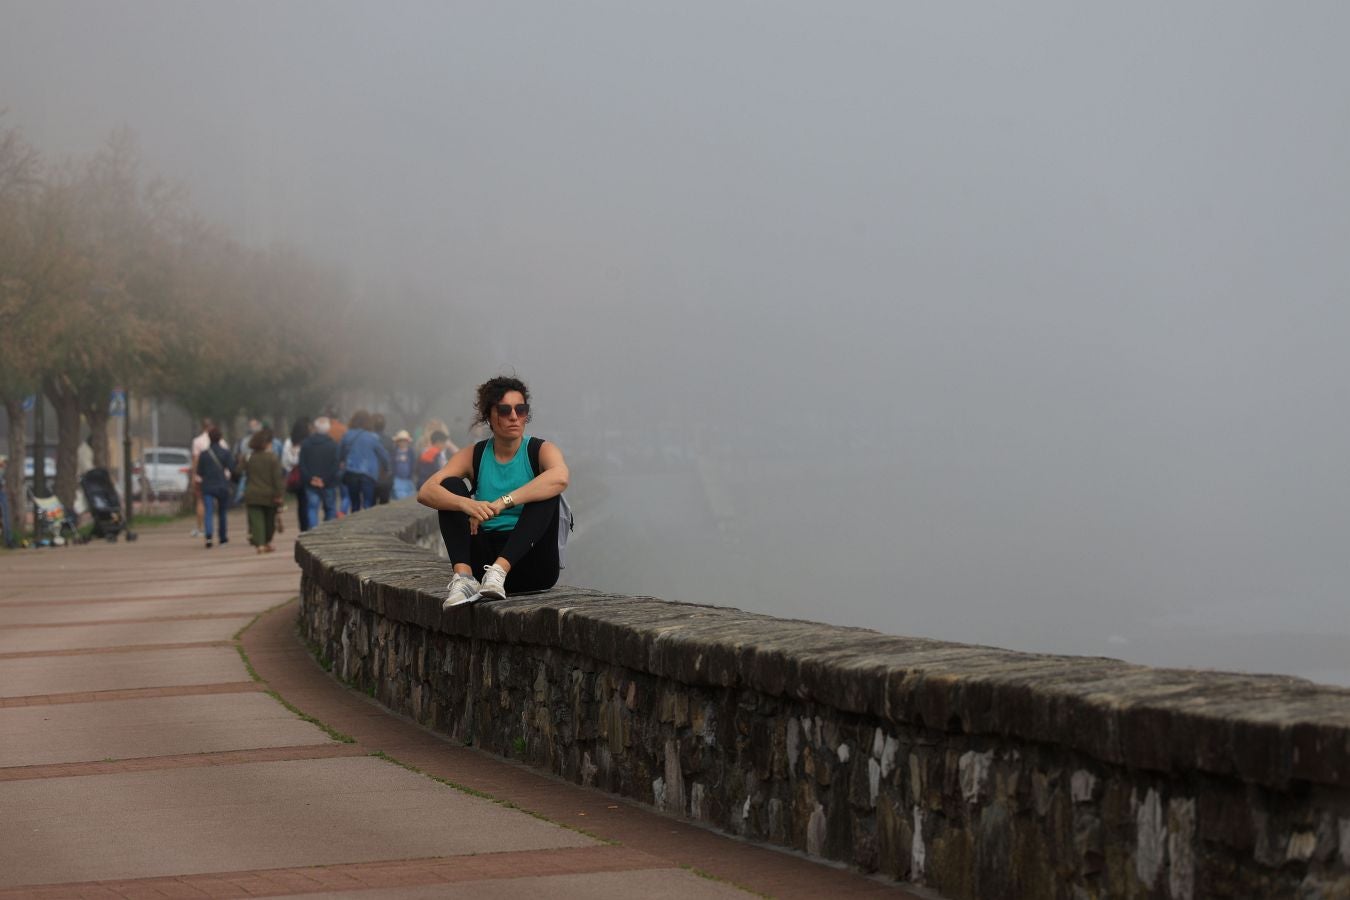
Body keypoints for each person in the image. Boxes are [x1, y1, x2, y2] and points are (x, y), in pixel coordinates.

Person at [417, 376, 569, 607]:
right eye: (504, 410)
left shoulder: (540, 450)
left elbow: (560, 477)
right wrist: (467, 504)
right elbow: (427, 491)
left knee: (547, 490)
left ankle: (500, 570)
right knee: (450, 487)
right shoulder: (474, 455)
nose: (514, 417)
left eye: (521, 410)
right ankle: (464, 579)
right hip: (484, 566)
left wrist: (503, 502)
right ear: (488, 416)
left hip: (533, 567)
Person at [337, 410, 389, 514]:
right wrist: (387, 468)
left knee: (354, 504)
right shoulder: (372, 437)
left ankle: (354, 521)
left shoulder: (347, 435)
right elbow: (383, 455)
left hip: (351, 472)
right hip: (368, 474)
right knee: (367, 504)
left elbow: (339, 454)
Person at [242, 427, 283, 553]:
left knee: (256, 521)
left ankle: (260, 544)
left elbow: (237, 471)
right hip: (269, 495)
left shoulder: (248, 457)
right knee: (269, 521)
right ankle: (265, 542)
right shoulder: (272, 458)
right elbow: (277, 478)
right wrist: (279, 494)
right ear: (266, 443)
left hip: (252, 493)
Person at [195, 427, 236, 549]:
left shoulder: (204, 454)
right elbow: (232, 468)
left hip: (208, 486)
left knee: (208, 511)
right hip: (222, 485)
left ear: (209, 438)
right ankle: (222, 538)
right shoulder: (226, 453)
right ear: (220, 438)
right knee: (222, 513)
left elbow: (199, 472)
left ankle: (208, 536)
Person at [299, 416, 340, 528]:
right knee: (330, 509)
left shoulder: (306, 444)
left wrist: (310, 479)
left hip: (311, 483)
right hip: (328, 483)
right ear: (328, 428)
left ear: (315, 428)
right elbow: (335, 465)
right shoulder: (333, 444)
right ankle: (329, 532)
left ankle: (313, 531)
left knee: (312, 509)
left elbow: (302, 464)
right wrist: (324, 480)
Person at [283, 419, 311, 532]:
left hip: (296, 476)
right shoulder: (309, 441)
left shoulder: (288, 442)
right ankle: (309, 525)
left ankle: (304, 527)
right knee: (308, 502)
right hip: (308, 474)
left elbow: (286, 460)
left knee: (301, 503)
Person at [189, 417, 215, 537]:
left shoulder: (197, 441)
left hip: (201, 476)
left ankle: (200, 528)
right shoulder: (219, 440)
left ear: (202, 427)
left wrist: (193, 475)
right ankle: (212, 527)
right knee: (213, 502)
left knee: (200, 501)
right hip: (216, 476)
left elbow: (195, 460)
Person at [371, 413, 395, 505]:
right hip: (385, 478)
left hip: (371, 477)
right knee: (384, 506)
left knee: (370, 507)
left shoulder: (368, 439)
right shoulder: (389, 440)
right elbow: (392, 459)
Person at [390, 430, 416, 500]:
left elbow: (413, 463)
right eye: (401, 441)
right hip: (397, 478)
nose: (403, 443)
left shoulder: (410, 452)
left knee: (409, 496)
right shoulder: (394, 452)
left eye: (404, 441)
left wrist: (412, 473)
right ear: (397, 442)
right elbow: (392, 464)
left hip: (408, 478)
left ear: (408, 442)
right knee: (399, 495)